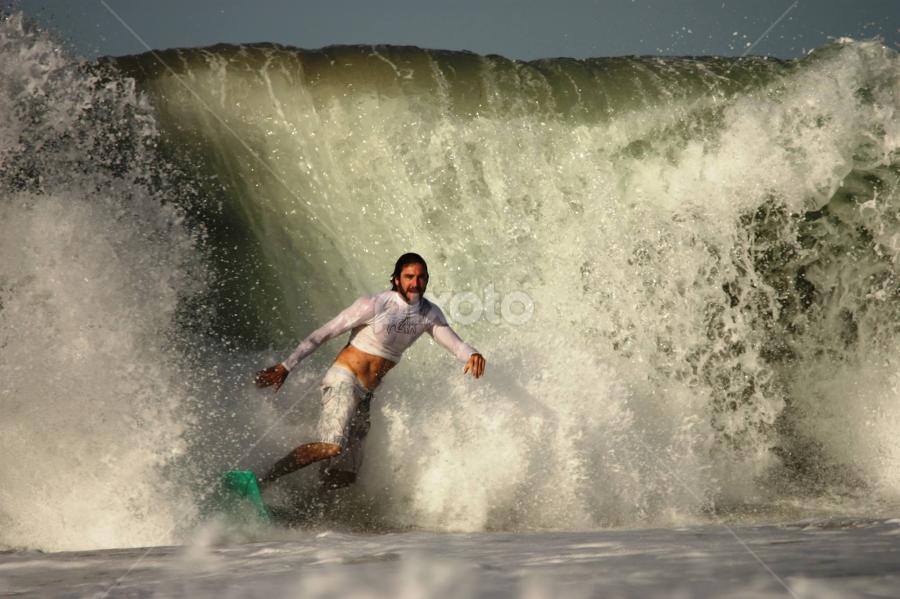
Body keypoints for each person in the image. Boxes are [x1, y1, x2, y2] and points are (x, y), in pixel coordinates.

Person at [254, 253, 486, 490]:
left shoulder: (429, 314)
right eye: (409, 277)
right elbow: (325, 333)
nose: (415, 283)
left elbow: (456, 345)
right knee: (331, 447)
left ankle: (308, 506)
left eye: (421, 277)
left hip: (365, 394)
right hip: (343, 380)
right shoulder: (374, 304)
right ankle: (265, 479)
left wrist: (473, 354)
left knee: (346, 475)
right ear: (396, 279)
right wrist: (287, 366)